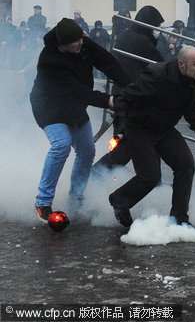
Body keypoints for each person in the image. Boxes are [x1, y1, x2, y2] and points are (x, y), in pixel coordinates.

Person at [30, 18, 130, 223]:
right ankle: (43, 202)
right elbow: (75, 91)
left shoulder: (83, 43)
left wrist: (128, 87)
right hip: (49, 107)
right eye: (74, 42)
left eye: (80, 39)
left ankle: (76, 201)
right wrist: (109, 100)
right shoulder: (49, 60)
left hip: (73, 108)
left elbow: (106, 61)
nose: (80, 44)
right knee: (61, 145)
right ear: (62, 44)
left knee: (87, 150)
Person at [108, 45, 195, 227]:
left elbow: (192, 110)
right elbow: (124, 97)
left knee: (185, 165)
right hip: (138, 127)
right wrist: (120, 126)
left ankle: (179, 219)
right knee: (150, 176)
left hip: (164, 129)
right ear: (182, 64)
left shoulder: (194, 82)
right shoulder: (157, 75)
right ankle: (120, 199)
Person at [93, 5, 165, 171]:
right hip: (135, 98)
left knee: (126, 142)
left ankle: (100, 177)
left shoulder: (126, 34)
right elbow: (160, 64)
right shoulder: (143, 41)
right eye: (155, 26)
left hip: (123, 93)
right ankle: (94, 176)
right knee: (127, 145)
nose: (156, 30)